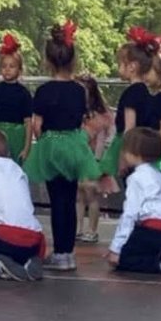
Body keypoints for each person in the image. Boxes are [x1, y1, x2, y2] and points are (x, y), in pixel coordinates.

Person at [25, 21, 102, 272]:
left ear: (48, 60)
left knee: (57, 201)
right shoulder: (79, 90)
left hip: (52, 146)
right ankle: (68, 253)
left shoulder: (43, 91)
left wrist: (45, 143)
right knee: (69, 199)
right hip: (73, 145)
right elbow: (81, 120)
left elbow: (37, 124)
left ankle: (59, 253)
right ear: (73, 60)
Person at [105, 127, 161, 276]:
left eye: (125, 150)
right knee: (142, 251)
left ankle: (160, 263)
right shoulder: (159, 176)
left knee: (124, 260)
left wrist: (116, 249)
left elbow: (130, 214)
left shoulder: (135, 179)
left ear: (134, 153)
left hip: (148, 231)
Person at [0, 130, 46, 282]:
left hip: (8, 238)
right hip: (35, 240)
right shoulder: (17, 169)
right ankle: (29, 260)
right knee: (16, 251)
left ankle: (3, 268)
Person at [100, 26, 161, 178]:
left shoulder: (131, 94)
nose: (118, 67)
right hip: (143, 148)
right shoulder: (145, 92)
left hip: (132, 148)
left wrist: (123, 156)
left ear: (132, 67)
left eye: (120, 64)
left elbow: (129, 127)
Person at [77, 74, 117, 243]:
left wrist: (101, 159)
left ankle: (92, 230)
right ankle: (78, 229)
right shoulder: (77, 111)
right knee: (78, 195)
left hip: (94, 158)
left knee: (91, 194)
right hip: (78, 158)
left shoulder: (101, 115)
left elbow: (109, 135)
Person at [0, 33, 33, 165]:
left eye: (12, 66)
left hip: (17, 136)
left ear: (19, 70)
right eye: (4, 66)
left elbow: (28, 123)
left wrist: (26, 148)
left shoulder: (24, 93)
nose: (7, 70)